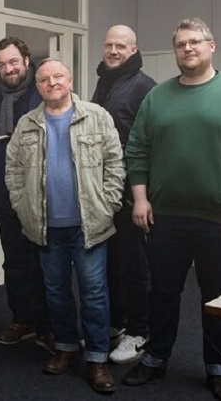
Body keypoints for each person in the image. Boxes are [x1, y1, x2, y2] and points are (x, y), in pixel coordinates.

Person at [122, 18, 221, 401]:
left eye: (194, 42)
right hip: (166, 217)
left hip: (219, 219)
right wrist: (140, 198)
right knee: (162, 293)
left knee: (217, 297)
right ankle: (155, 358)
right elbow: (137, 149)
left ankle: (219, 369)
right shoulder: (157, 97)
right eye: (180, 44)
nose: (187, 49)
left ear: (211, 46)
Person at [5, 58, 124, 393]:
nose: (52, 83)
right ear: (38, 85)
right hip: (46, 228)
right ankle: (66, 349)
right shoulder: (27, 123)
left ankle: (97, 358)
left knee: (94, 294)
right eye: (44, 79)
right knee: (56, 293)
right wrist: (20, 204)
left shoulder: (96, 116)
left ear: (70, 79)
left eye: (58, 76)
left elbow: (115, 162)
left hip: (89, 226)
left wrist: (110, 203)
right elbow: (12, 169)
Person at [0, 37, 53, 353]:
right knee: (14, 261)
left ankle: (48, 326)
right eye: (1, 64)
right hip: (3, 190)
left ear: (26, 59)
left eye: (13, 62)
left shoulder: (43, 89)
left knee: (45, 263)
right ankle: (21, 318)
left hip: (40, 192)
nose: (8, 69)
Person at [90, 24, 156, 364]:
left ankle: (139, 331)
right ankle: (118, 323)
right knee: (112, 264)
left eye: (120, 46)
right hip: (104, 194)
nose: (113, 51)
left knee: (135, 266)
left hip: (131, 193)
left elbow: (149, 145)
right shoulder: (105, 82)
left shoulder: (145, 87)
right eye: (108, 45)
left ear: (133, 50)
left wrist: (140, 196)